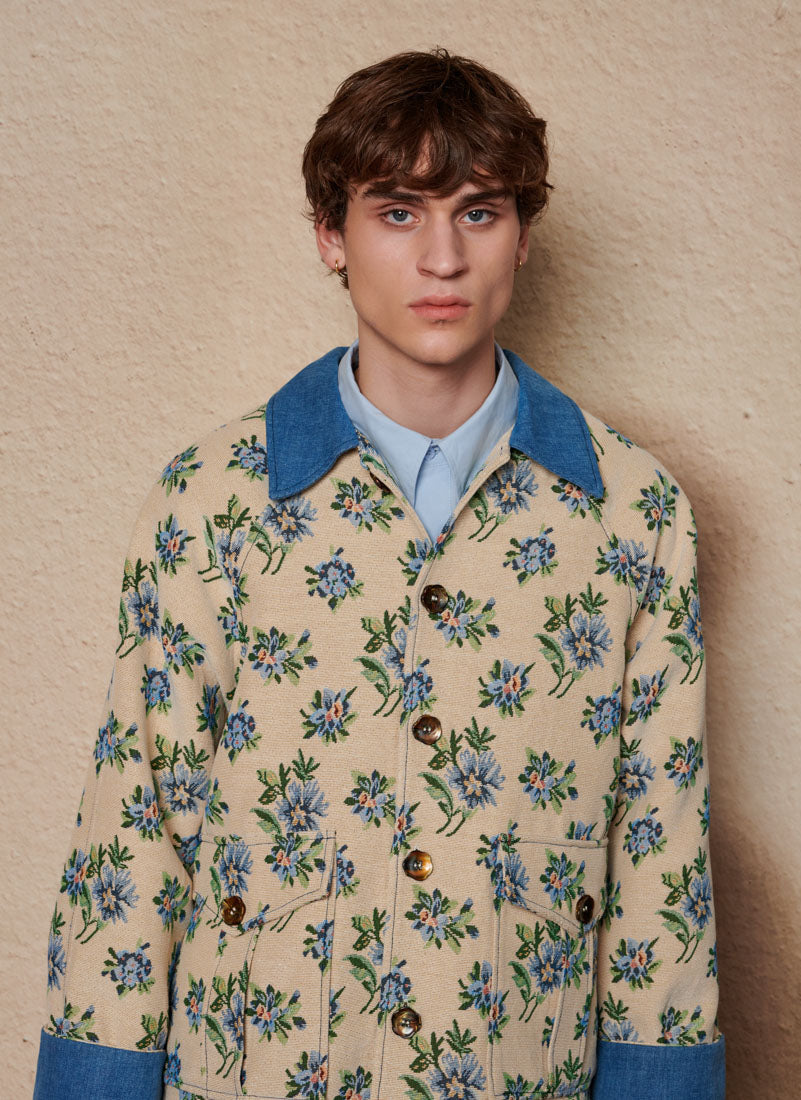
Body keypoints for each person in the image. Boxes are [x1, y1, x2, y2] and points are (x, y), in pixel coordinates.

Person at [33, 47, 725, 1100]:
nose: (442, 258)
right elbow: (136, 830)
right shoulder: (212, 500)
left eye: (479, 212)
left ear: (522, 235)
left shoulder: (634, 513)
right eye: (398, 213)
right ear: (331, 234)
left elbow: (661, 849)